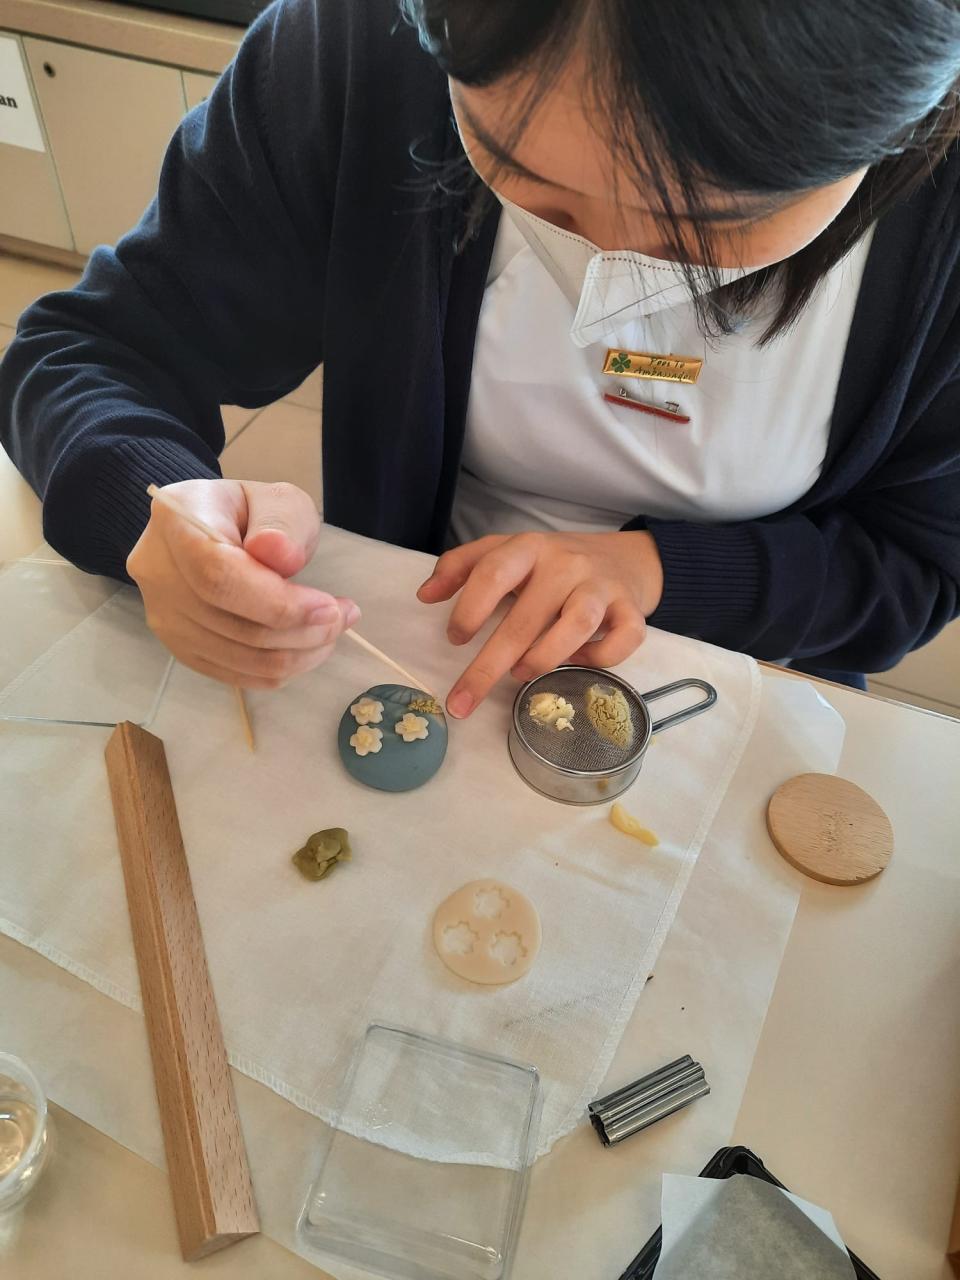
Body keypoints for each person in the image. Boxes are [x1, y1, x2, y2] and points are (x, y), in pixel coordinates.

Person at [2, 0, 959, 715]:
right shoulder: (356, 50)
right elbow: (91, 349)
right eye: (532, 182)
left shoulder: (941, 223)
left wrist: (661, 573)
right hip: (418, 651)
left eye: (704, 229)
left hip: (741, 691)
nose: (609, 263)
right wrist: (155, 499)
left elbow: (921, 564)